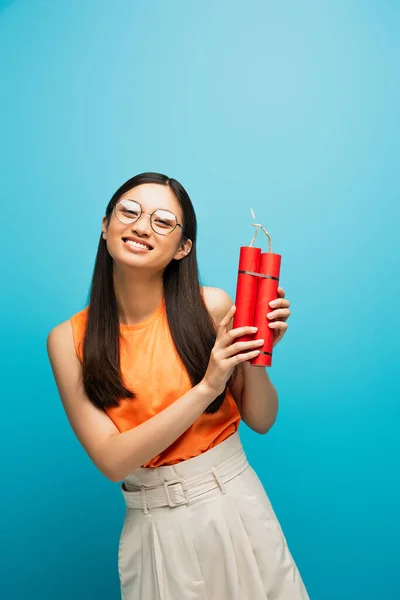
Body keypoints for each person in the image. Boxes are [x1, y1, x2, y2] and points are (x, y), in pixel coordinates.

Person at [46, 172, 310, 599]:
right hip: (152, 526)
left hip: (235, 504)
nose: (141, 226)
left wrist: (258, 356)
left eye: (163, 220)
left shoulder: (213, 306)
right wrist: (208, 386)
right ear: (105, 224)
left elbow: (261, 420)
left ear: (183, 247)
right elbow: (112, 461)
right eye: (129, 211)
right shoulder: (67, 340)